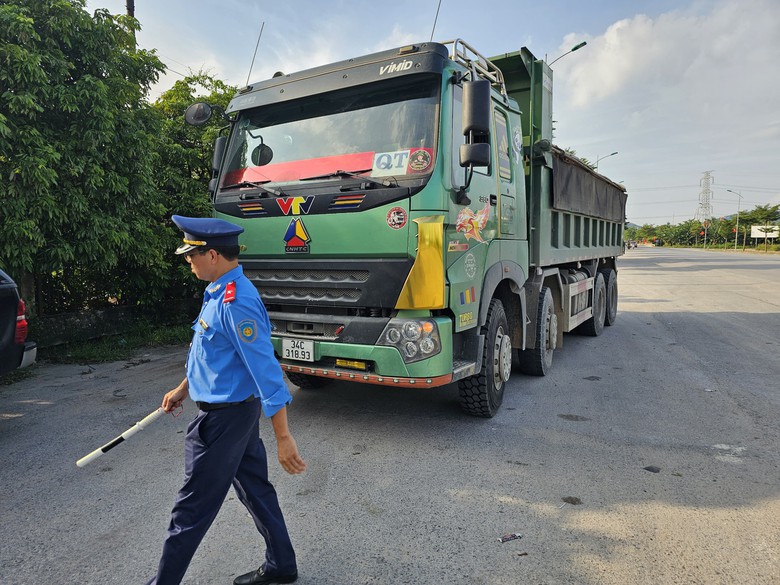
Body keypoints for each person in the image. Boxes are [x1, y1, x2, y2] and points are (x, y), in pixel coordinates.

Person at [145, 215, 306, 585]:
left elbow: (266, 372)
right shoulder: (218, 289)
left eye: (192, 255)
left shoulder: (236, 302)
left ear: (213, 255)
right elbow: (213, 354)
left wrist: (283, 436)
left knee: (190, 510)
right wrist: (184, 388)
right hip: (234, 414)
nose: (189, 261)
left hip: (224, 421)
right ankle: (282, 565)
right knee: (256, 491)